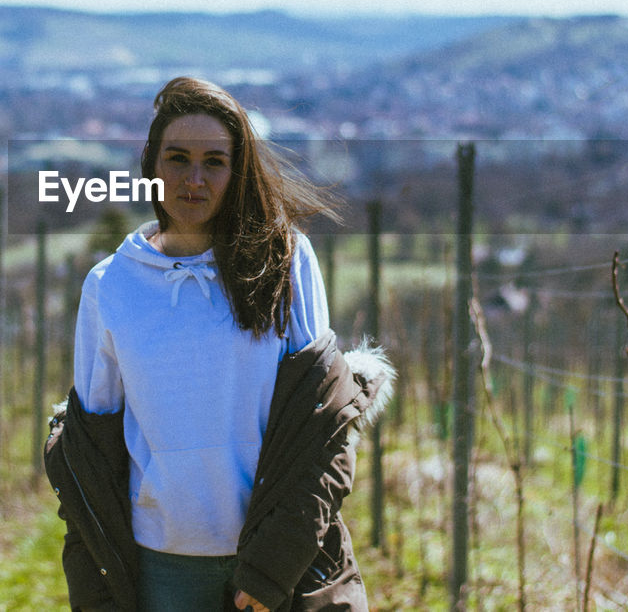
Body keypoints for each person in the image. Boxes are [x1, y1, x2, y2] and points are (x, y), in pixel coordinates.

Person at [45, 76, 393, 611]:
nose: (194, 178)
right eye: (178, 158)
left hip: (278, 561)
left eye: (215, 161)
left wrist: (272, 569)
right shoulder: (110, 285)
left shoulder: (288, 265)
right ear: (151, 166)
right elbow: (93, 455)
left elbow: (321, 435)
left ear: (238, 172)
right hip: (162, 562)